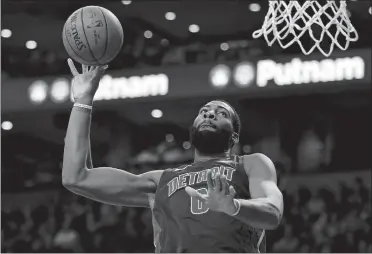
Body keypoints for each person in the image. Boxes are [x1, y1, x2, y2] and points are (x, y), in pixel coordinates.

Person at [62, 59, 284, 253]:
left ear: (234, 137)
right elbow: (76, 178)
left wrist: (233, 206)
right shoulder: (161, 180)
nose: (209, 113)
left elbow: (272, 212)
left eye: (221, 113)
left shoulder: (251, 164)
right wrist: (83, 100)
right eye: (204, 112)